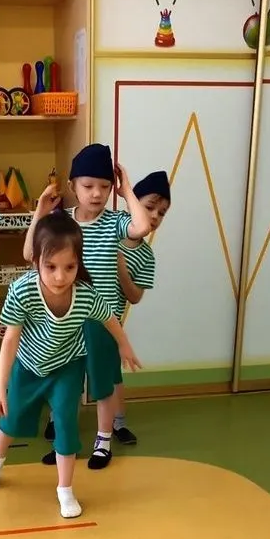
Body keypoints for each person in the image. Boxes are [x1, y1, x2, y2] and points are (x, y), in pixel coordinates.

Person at [0, 211, 141, 517]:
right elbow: (10, 340)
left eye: (69, 267)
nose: (59, 277)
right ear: (35, 261)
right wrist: (1, 388)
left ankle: (65, 489)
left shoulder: (86, 296)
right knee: (11, 419)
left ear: (79, 264)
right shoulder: (22, 291)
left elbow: (109, 318)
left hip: (67, 367)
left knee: (66, 426)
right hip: (28, 367)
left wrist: (124, 345)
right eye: (50, 266)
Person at [23, 143, 150, 470]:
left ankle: (103, 442)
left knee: (102, 384)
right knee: (65, 385)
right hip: (66, 321)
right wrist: (40, 211)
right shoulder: (61, 222)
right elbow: (29, 254)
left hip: (102, 320)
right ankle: (64, 443)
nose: (96, 193)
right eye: (88, 185)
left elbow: (141, 227)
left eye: (104, 187)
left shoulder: (115, 221)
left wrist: (127, 190)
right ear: (72, 186)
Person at [111, 169, 171, 444]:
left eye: (162, 213)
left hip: (111, 322)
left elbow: (135, 297)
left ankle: (119, 423)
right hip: (77, 315)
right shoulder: (109, 227)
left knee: (112, 373)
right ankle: (56, 420)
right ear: (133, 203)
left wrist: (122, 269)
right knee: (71, 370)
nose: (155, 216)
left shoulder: (146, 256)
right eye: (149, 207)